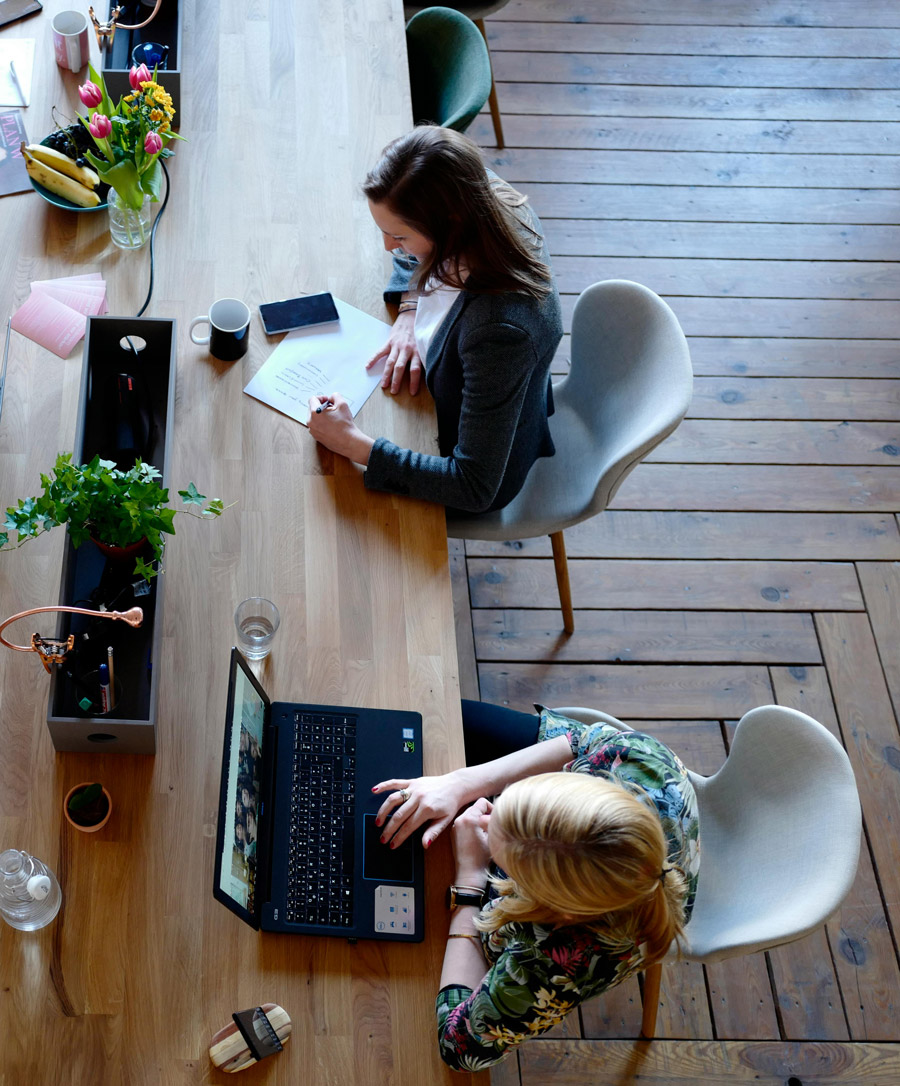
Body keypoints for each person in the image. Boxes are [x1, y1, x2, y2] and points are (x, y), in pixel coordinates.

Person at [372, 703, 701, 1072]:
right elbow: (579, 739)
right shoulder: (640, 759)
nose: (487, 811)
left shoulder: (556, 960)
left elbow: (458, 1047)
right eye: (508, 803)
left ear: (552, 906)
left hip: (579, 931)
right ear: (576, 784)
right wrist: (459, 784)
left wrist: (470, 878)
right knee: (436, 717)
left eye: (504, 859)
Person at [307, 125, 563, 515]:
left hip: (468, 464)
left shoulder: (500, 332)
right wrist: (411, 308)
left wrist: (354, 443)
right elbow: (411, 253)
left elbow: (474, 486)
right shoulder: (473, 192)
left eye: (400, 237)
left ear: (451, 224)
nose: (389, 247)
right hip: (446, 396)